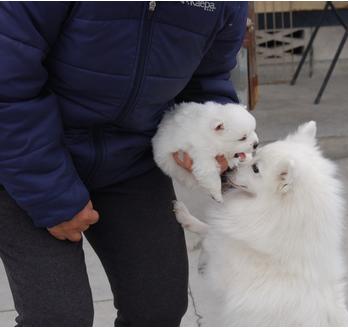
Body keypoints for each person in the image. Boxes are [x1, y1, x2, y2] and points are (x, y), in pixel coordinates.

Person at [0, 2, 247, 326]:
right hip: (22, 155)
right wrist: (52, 196)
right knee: (58, 318)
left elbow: (208, 80)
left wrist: (211, 138)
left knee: (157, 308)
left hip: (129, 158)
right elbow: (7, 85)